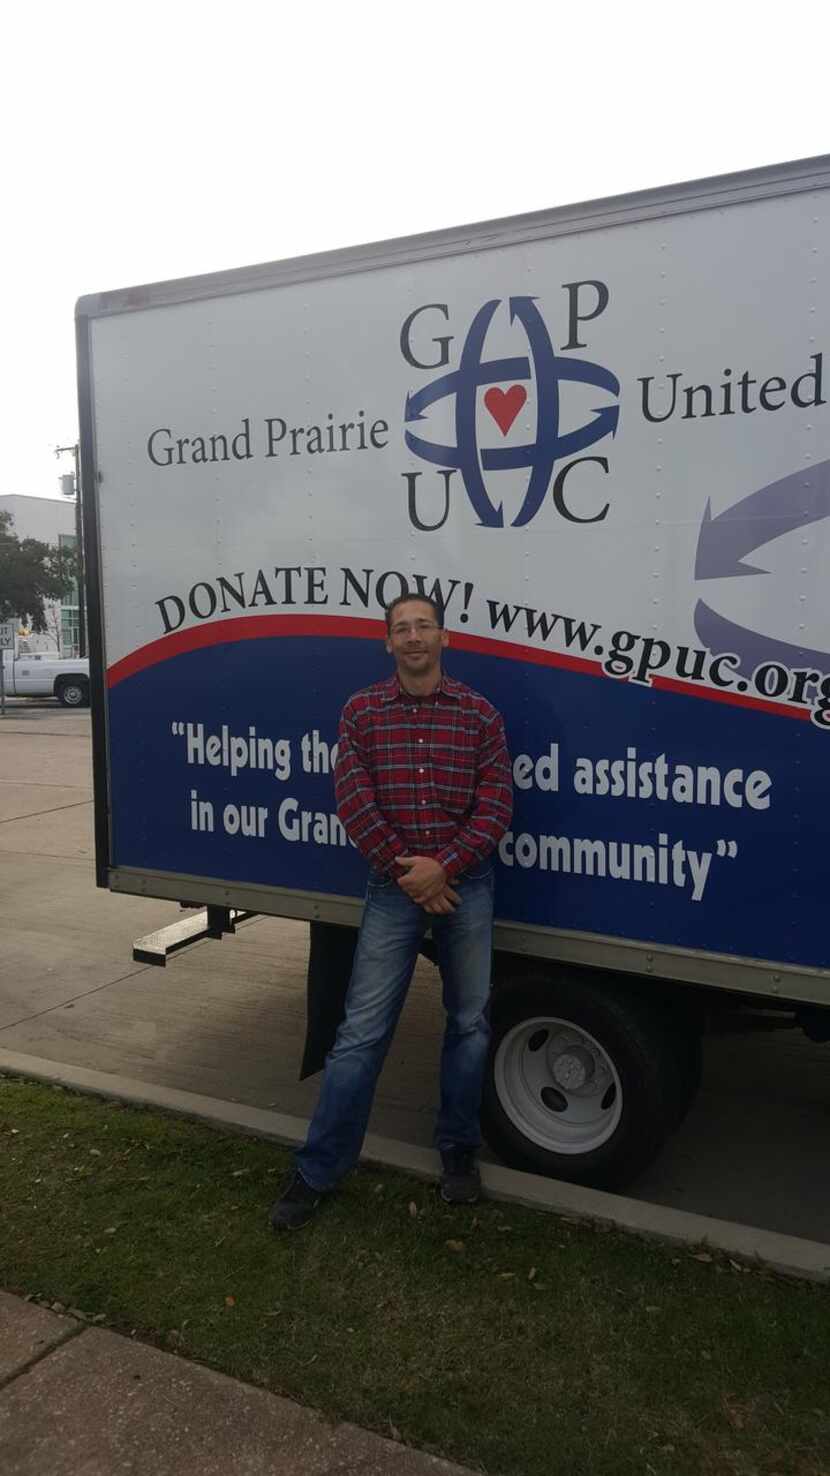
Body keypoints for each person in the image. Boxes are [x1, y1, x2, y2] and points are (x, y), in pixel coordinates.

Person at [270, 593, 513, 1230]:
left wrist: (446, 866)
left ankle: (458, 1152)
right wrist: (413, 874)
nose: (412, 637)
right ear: (387, 642)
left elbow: (496, 803)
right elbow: (353, 799)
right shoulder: (361, 712)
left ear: (444, 637)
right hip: (393, 886)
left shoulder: (480, 714)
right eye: (401, 628)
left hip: (466, 883)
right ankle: (319, 1167)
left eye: (423, 626)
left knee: (469, 1024)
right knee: (361, 1033)